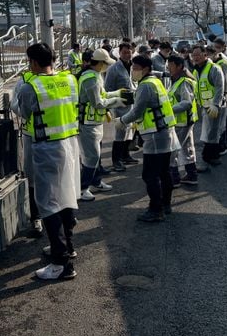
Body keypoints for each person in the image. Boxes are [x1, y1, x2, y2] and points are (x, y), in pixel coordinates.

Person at [16, 42, 81, 281]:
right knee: (67, 198)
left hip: (47, 148)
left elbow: (24, 113)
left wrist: (15, 104)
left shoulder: (30, 86)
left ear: (33, 62)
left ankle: (61, 263)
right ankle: (66, 247)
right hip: (70, 144)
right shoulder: (69, 80)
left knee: (50, 204)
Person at [119, 55, 180, 222]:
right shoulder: (155, 82)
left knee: (150, 175)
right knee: (164, 172)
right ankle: (166, 205)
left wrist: (122, 121)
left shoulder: (145, 86)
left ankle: (156, 209)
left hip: (155, 135)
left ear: (145, 69)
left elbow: (137, 111)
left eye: (135, 68)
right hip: (164, 132)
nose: (133, 71)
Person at [77, 48, 126, 201]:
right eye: (106, 63)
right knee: (91, 156)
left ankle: (96, 181)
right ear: (99, 63)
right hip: (88, 123)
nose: (107, 66)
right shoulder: (90, 78)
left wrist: (118, 93)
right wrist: (117, 100)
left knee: (96, 155)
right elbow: (98, 102)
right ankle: (83, 187)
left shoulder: (96, 75)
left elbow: (103, 95)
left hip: (95, 122)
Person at [10, 71, 43, 236]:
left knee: (38, 180)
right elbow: (17, 105)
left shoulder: (25, 82)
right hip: (38, 137)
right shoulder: (25, 82)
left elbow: (16, 106)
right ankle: (38, 217)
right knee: (36, 179)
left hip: (46, 138)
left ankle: (41, 219)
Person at [191, 45, 225, 170]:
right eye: (193, 55)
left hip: (214, 106)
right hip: (203, 106)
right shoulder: (196, 70)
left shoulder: (214, 69)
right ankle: (210, 155)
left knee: (213, 131)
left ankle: (212, 156)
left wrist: (216, 104)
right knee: (208, 131)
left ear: (205, 54)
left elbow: (220, 87)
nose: (195, 57)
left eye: (198, 54)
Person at [166, 54, 199, 186]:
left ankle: (174, 178)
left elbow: (187, 103)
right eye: (168, 65)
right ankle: (192, 175)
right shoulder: (174, 80)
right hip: (183, 121)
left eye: (171, 65)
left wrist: (169, 110)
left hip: (182, 122)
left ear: (179, 66)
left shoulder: (184, 82)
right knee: (187, 148)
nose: (169, 68)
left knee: (172, 150)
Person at [105, 42, 137, 171]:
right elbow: (108, 88)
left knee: (130, 131)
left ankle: (126, 155)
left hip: (132, 104)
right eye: (124, 52)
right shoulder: (114, 68)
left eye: (129, 52)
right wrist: (115, 101)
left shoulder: (134, 66)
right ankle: (116, 160)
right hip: (120, 105)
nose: (127, 54)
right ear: (119, 53)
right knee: (120, 133)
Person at [211, 40, 227, 154]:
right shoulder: (216, 62)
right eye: (214, 47)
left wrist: (223, 96)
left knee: (220, 124)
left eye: (218, 47)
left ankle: (222, 146)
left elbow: (224, 83)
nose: (215, 49)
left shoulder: (222, 63)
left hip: (223, 97)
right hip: (219, 97)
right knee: (218, 124)